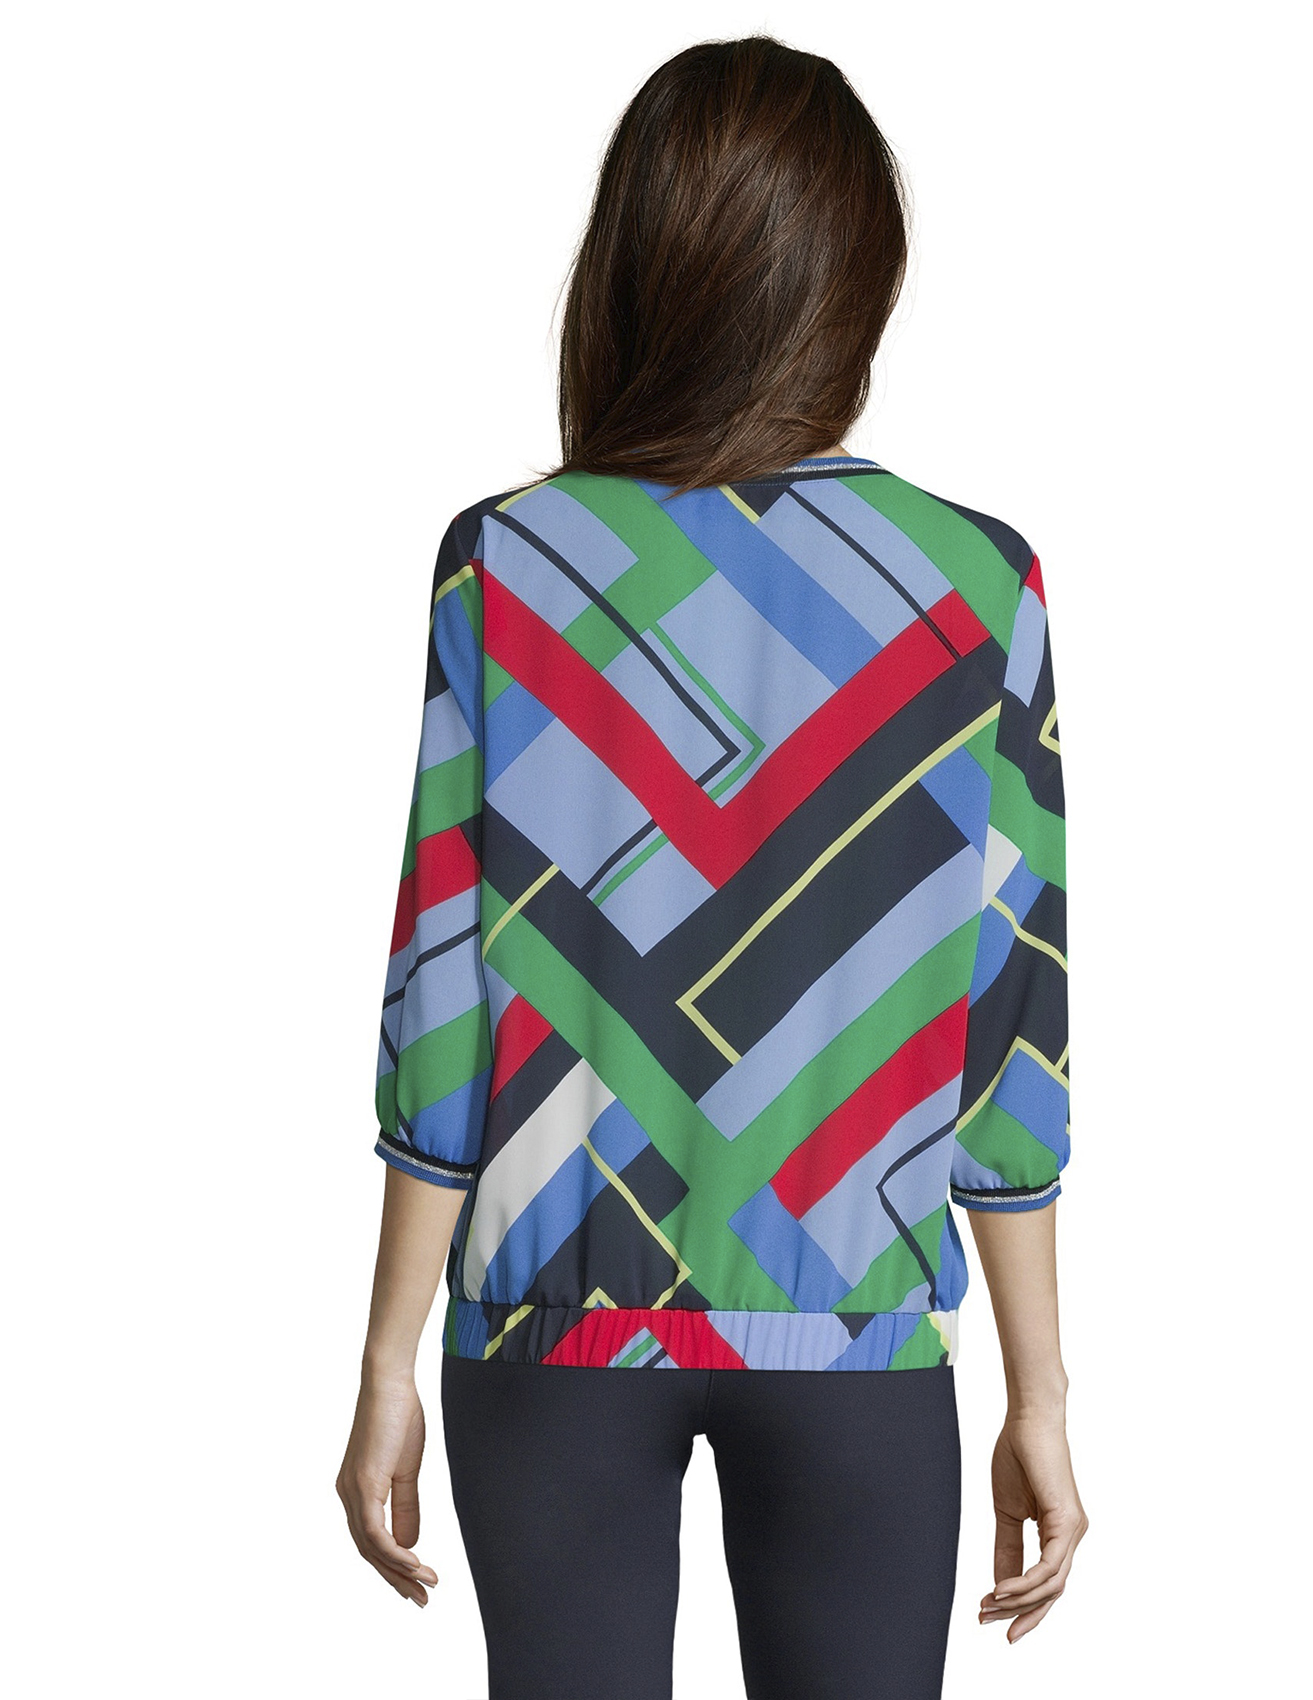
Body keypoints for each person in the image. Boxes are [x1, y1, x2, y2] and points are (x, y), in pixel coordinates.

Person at [336, 31, 1087, 1700]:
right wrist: (1039, 1392)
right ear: (857, 285)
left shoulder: (507, 564)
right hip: (855, 1327)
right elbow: (1008, 1023)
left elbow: (442, 1000)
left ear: (631, 269)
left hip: (551, 1322)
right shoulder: (980, 586)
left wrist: (386, 1360)